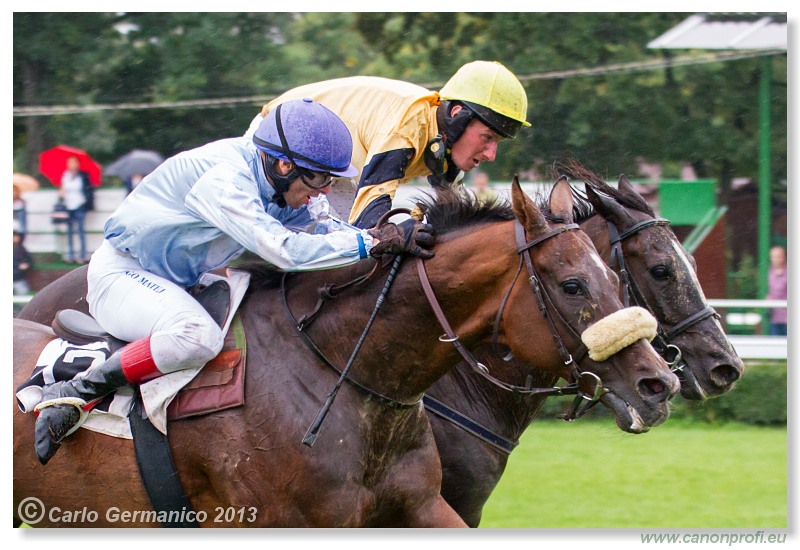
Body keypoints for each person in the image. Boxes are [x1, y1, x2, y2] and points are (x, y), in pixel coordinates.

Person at [32, 98, 434, 464]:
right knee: (197, 335)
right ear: (283, 166)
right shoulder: (225, 179)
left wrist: (390, 233)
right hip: (122, 275)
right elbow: (284, 250)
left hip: (180, 279)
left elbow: (326, 231)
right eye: (319, 180)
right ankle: (78, 390)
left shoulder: (280, 185)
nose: (325, 191)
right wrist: (370, 243)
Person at [245, 60, 530, 228]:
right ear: (458, 115)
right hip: (278, 142)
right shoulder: (409, 124)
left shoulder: (445, 144)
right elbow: (370, 222)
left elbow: (454, 222)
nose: (492, 154)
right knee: (343, 248)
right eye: (488, 138)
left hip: (335, 170)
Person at [59, 155, 93, 264]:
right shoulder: (65, 176)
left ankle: (82, 255)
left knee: (81, 231)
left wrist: (86, 201)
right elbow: (63, 189)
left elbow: (88, 189)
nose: (72, 165)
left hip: (79, 204)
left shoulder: (83, 175)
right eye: (70, 162)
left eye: (74, 162)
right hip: (68, 205)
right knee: (69, 232)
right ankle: (70, 255)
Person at [766, 245, 787, 336]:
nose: (775, 259)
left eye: (778, 256)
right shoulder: (769, 272)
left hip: (787, 317)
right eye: (773, 257)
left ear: (783, 257)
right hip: (774, 316)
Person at [13, 230, 33, 296]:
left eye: (16, 236)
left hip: (19, 279)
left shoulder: (21, 249)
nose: (15, 238)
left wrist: (27, 265)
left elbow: (30, 261)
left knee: (22, 295)